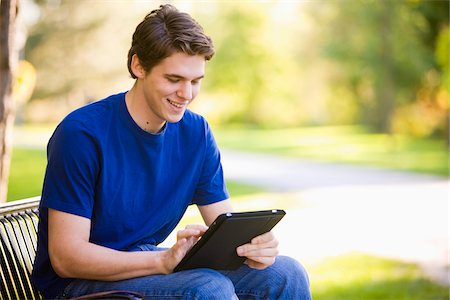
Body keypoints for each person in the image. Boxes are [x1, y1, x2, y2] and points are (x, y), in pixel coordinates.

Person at [32, 4, 311, 299]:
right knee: (207, 289)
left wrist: (254, 245)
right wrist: (162, 261)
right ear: (138, 66)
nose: (186, 94)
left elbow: (224, 223)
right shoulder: (82, 134)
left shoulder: (196, 133)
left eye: (195, 81)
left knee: (285, 273)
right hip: (78, 285)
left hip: (146, 262)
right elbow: (66, 258)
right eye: (174, 79)